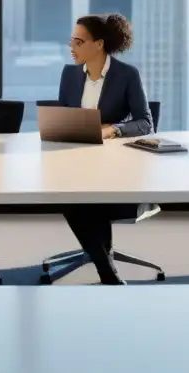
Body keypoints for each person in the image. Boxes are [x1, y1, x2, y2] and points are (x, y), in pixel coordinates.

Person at [57, 14, 154, 285]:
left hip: (114, 167)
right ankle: (106, 267)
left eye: (79, 41)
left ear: (98, 44)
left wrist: (114, 129)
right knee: (71, 196)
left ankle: (106, 270)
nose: (72, 47)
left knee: (83, 200)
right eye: (71, 41)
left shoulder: (126, 75)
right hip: (74, 162)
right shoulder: (70, 74)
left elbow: (146, 123)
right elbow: (64, 117)